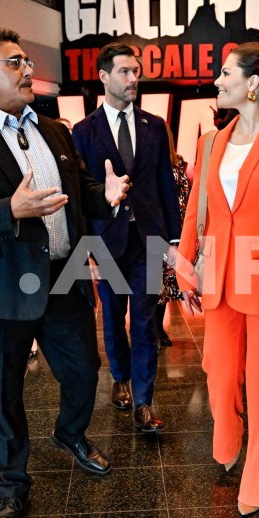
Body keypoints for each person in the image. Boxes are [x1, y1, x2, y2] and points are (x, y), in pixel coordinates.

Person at [0, 28, 130, 518]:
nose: (27, 71)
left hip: (61, 276)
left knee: (84, 370)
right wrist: (9, 209)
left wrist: (103, 194)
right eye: (14, 63)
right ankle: (12, 487)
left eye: (27, 62)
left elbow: (75, 186)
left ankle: (69, 433)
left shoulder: (54, 129)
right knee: (2, 394)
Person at [176, 42, 259, 516]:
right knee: (217, 373)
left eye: (226, 73)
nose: (217, 81)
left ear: (252, 84)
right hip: (218, 277)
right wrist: (185, 272)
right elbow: (196, 211)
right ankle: (228, 437)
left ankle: (256, 479)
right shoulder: (211, 142)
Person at [73, 42, 181, 433]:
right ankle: (120, 376)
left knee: (146, 320)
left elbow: (166, 184)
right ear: (104, 76)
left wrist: (174, 240)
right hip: (106, 240)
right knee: (114, 317)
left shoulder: (155, 125)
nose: (134, 78)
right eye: (125, 71)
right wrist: (86, 250)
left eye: (136, 71)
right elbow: (81, 194)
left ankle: (143, 399)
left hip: (148, 240)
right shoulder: (84, 131)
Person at [155, 122, 191, 349]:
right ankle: (153, 330)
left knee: (167, 283)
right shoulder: (148, 164)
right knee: (155, 284)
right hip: (155, 230)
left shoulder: (178, 163)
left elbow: (185, 197)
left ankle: (158, 327)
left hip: (175, 231)